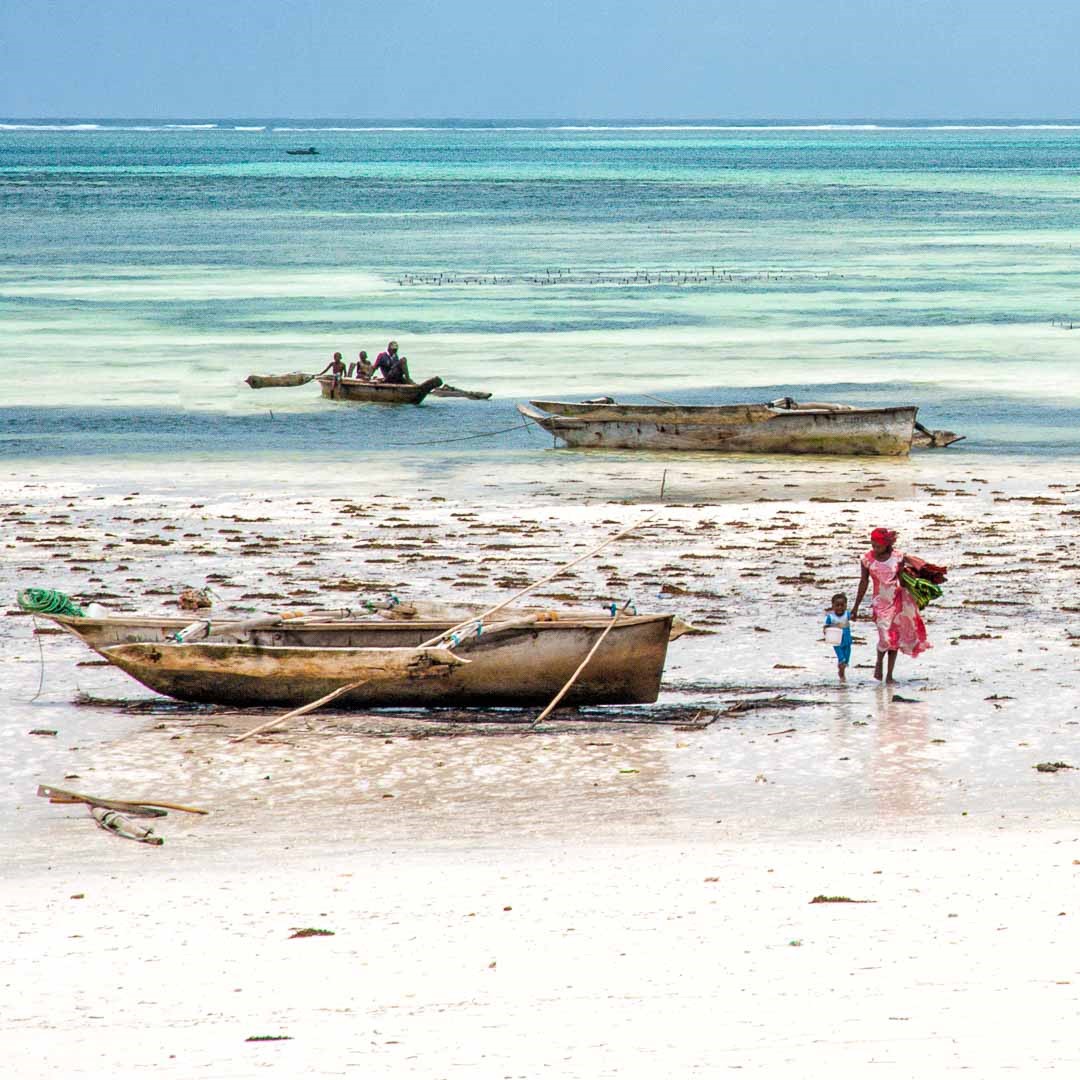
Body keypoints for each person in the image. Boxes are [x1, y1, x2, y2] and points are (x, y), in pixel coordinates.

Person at [851, 527, 930, 683]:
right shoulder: (867, 559)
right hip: (879, 603)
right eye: (873, 545)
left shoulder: (898, 557)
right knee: (885, 637)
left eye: (878, 546)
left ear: (886, 544)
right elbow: (864, 582)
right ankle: (879, 662)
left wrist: (917, 594)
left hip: (897, 600)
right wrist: (856, 607)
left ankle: (889, 676)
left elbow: (902, 579)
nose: (875, 549)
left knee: (895, 639)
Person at [823, 591, 852, 681]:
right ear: (833, 606)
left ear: (846, 605)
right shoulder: (831, 617)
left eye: (842, 605)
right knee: (842, 659)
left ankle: (841, 670)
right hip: (837, 642)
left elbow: (854, 618)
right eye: (837, 605)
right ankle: (842, 675)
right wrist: (826, 630)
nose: (840, 608)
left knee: (846, 660)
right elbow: (825, 627)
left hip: (847, 641)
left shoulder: (847, 614)